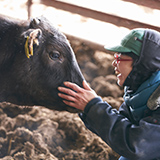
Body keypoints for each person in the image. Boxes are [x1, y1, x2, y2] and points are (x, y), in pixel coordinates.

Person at [58, 28, 160, 160]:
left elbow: (136, 145)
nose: (114, 63)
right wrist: (86, 107)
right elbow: (119, 129)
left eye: (120, 58)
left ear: (141, 64)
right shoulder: (138, 92)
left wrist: (93, 106)